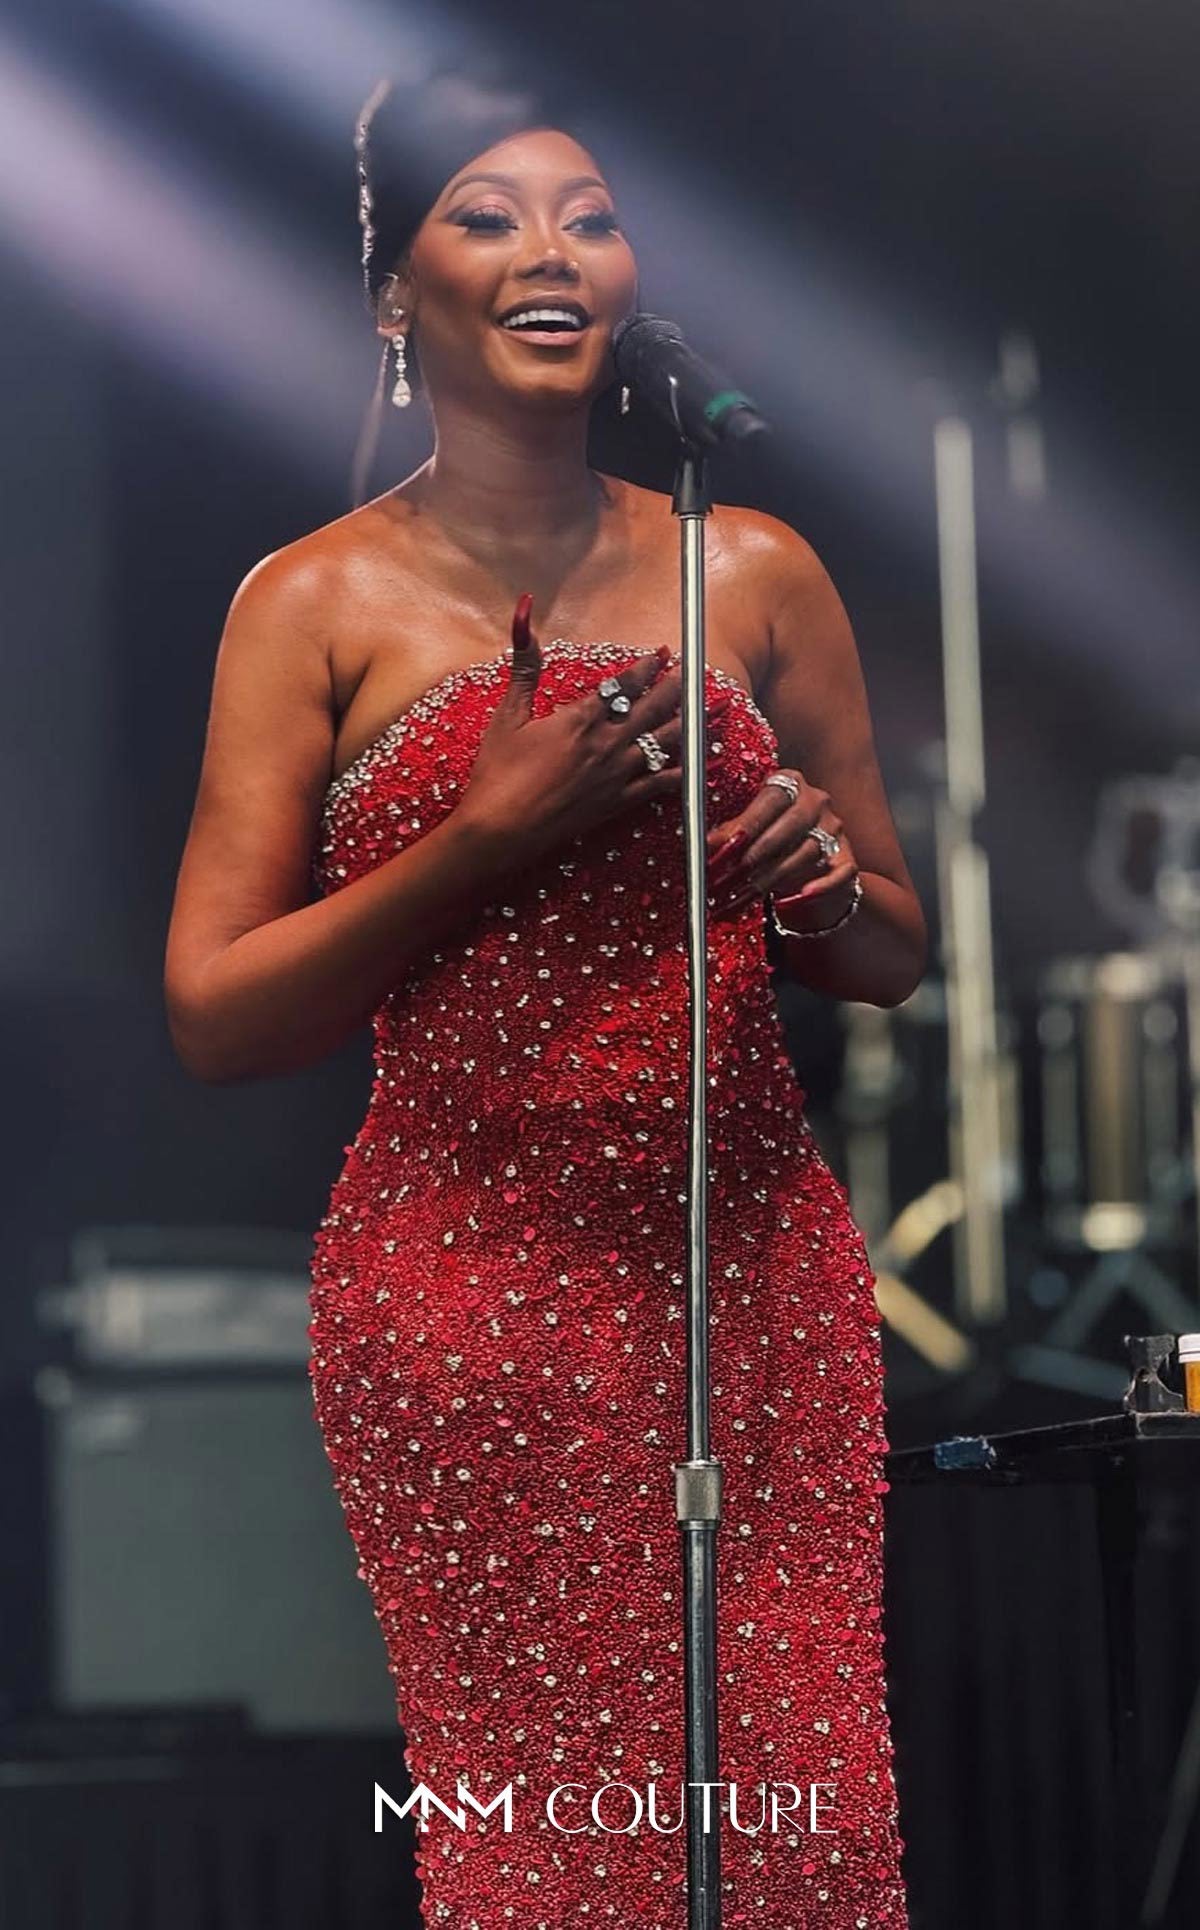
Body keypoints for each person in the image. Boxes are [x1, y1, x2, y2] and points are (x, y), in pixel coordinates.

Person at [164, 61, 924, 1930]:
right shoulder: (312, 605)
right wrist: (479, 842)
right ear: (392, 291)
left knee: (803, 1834)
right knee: (559, 1856)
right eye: (487, 215)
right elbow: (215, 1010)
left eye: (587, 213)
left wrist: (818, 880)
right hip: (470, 1310)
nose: (550, 249)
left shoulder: (741, 567)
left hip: (754, 1281)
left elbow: (889, 949)